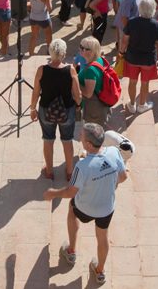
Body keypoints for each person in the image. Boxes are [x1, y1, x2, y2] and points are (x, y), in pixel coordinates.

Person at [44, 122, 128, 286]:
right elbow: (123, 177)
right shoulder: (113, 152)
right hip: (106, 208)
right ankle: (100, 271)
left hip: (84, 207)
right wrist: (109, 184)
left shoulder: (82, 166)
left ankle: (71, 251)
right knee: (102, 237)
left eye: (81, 136)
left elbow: (70, 192)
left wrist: (54, 193)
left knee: (71, 210)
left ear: (88, 144)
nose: (80, 138)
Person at [30, 38, 82, 180]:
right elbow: (78, 95)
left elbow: (36, 92)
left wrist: (32, 109)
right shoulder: (70, 70)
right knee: (67, 140)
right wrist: (78, 105)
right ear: (64, 53)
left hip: (46, 110)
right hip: (67, 110)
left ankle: (49, 170)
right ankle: (70, 171)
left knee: (48, 140)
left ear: (50, 52)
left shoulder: (42, 70)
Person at [119, 0, 158, 113]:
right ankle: (141, 105)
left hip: (132, 58)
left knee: (132, 82)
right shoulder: (156, 25)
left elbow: (124, 40)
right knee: (145, 83)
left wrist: (121, 52)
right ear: (153, 9)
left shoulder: (132, 22)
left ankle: (131, 104)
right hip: (148, 59)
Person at [77, 37, 112, 127]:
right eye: (81, 46)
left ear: (93, 51)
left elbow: (88, 94)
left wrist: (76, 82)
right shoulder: (99, 59)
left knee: (92, 135)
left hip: (93, 108)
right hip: (100, 104)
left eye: (86, 48)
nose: (81, 49)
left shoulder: (90, 70)